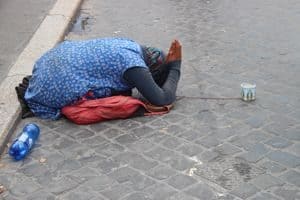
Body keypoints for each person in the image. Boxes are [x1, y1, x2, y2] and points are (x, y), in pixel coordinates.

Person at [15, 37, 182, 120]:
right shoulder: (134, 66)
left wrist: (167, 63)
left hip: (45, 67)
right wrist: (175, 65)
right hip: (51, 89)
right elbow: (162, 99)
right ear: (148, 72)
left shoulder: (128, 45)